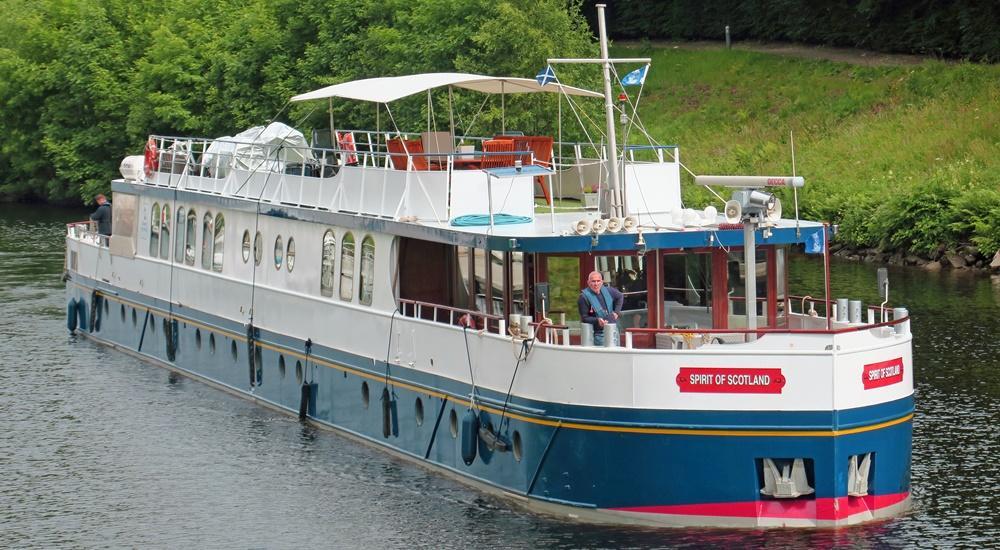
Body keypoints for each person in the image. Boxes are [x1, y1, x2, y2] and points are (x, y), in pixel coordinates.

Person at [578, 270, 624, 346]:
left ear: (602, 282)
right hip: (599, 334)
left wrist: (616, 312)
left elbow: (620, 296)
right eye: (593, 281)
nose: (596, 284)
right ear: (588, 282)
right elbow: (584, 318)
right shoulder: (583, 297)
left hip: (614, 331)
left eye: (598, 281)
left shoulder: (609, 290)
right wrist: (597, 320)